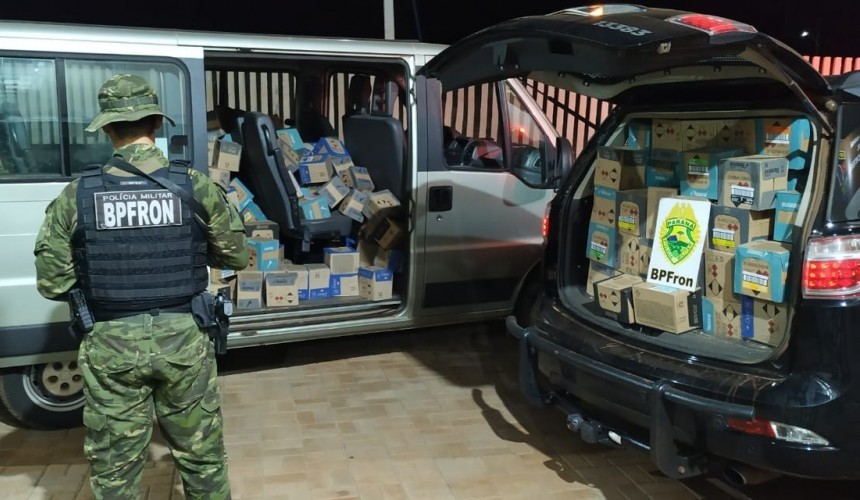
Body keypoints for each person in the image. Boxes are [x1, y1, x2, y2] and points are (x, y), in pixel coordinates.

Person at [34, 73, 248, 500]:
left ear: (108, 129)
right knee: (202, 458)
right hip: (185, 340)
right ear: (155, 125)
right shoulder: (196, 186)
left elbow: (52, 282)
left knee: (115, 470)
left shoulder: (76, 196)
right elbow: (236, 257)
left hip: (110, 344)